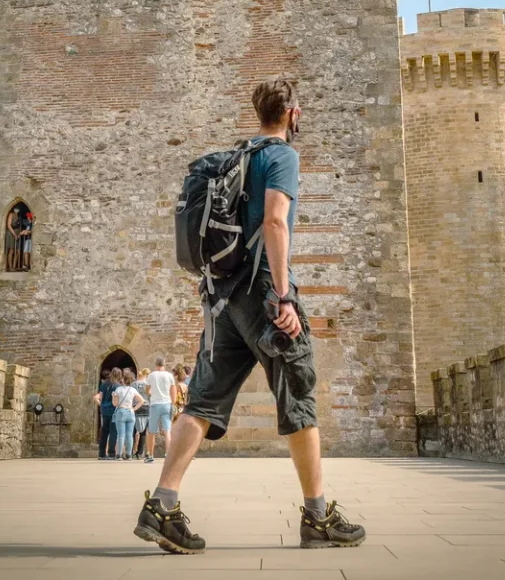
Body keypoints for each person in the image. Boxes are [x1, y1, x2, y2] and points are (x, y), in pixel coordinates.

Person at [134, 78, 366, 553]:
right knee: (299, 396)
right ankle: (317, 518)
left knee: (200, 402)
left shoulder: (236, 157)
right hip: (263, 295)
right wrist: (284, 298)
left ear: (259, 113)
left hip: (221, 299)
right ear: (293, 115)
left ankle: (162, 505)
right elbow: (275, 221)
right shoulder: (281, 156)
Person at [143, 357, 177, 464]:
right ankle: (168, 454)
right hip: (166, 403)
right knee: (167, 430)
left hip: (155, 404)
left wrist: (151, 393)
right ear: (164, 365)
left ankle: (150, 455)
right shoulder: (169, 375)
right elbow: (173, 390)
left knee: (152, 431)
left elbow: (147, 389)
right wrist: (173, 402)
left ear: (155, 364)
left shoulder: (151, 375)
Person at [112, 368, 145, 461]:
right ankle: (128, 454)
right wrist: (134, 409)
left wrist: (113, 396)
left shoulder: (118, 389)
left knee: (121, 435)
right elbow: (141, 400)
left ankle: (119, 454)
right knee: (129, 435)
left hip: (121, 411)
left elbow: (115, 404)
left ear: (123, 379)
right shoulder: (133, 390)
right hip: (130, 412)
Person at [93, 366, 120, 460]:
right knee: (113, 432)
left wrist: (102, 405)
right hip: (113, 411)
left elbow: (100, 396)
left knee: (104, 432)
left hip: (104, 411)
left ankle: (101, 453)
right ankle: (111, 453)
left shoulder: (104, 383)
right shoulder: (117, 386)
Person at [132, 368, 151, 460]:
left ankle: (130, 451)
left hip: (136, 407)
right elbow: (150, 396)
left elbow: (131, 396)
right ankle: (140, 453)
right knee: (143, 431)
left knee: (133, 430)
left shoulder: (134, 384)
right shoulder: (148, 384)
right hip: (146, 407)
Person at [4, 204, 22, 272]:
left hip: (17, 234)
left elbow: (19, 226)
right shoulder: (11, 214)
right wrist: (14, 234)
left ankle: (14, 267)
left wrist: (19, 234)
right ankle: (10, 267)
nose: (17, 209)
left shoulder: (19, 216)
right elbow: (8, 225)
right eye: (16, 208)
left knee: (17, 251)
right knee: (11, 250)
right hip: (11, 233)